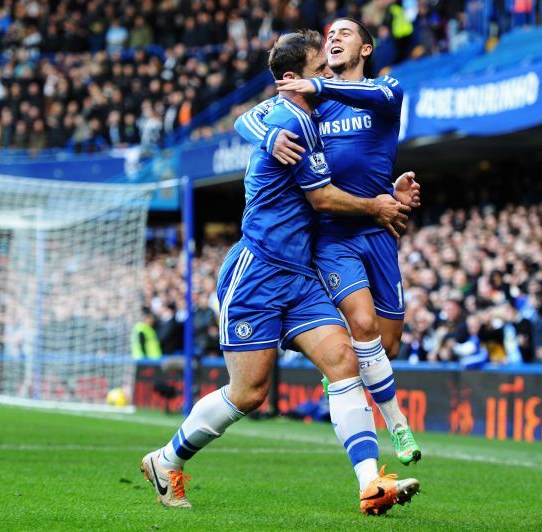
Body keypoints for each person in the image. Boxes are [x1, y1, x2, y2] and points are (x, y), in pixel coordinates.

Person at [140, 30, 419, 515]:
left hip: (301, 275)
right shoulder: (292, 120)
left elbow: (254, 117)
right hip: (258, 273)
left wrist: (385, 186)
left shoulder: (311, 113)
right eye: (319, 70)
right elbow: (322, 198)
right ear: (293, 80)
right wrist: (377, 205)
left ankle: (371, 484)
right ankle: (166, 460)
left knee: (343, 361)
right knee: (249, 394)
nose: (327, 76)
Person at [234, 17, 423, 466]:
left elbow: (374, 95)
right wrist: (272, 133)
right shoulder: (312, 104)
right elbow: (247, 118)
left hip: (379, 233)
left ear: (366, 49)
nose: (334, 37)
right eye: (330, 34)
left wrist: (392, 195)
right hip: (333, 235)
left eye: (345, 33)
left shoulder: (384, 92)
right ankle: (397, 425)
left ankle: (340, 374)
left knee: (386, 345)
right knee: (361, 325)